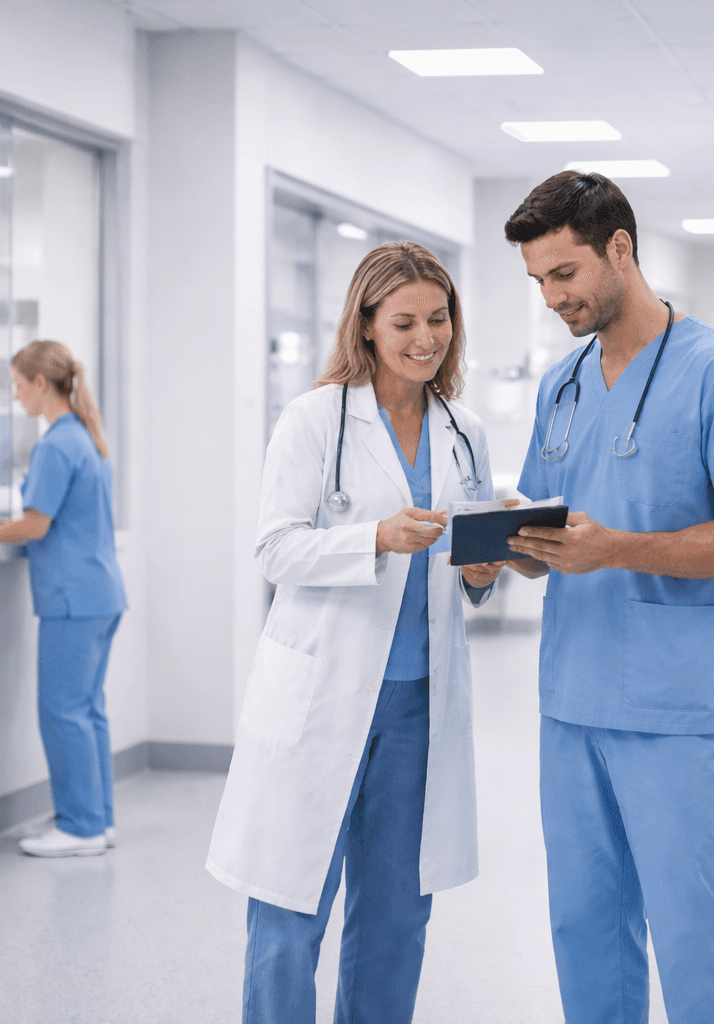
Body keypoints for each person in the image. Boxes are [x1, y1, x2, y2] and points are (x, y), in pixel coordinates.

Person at [502, 171, 714, 1024]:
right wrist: (492, 552)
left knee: (695, 938)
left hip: (680, 709)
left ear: (619, 249)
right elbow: (548, 542)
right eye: (538, 282)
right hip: (572, 701)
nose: (552, 298)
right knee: (585, 930)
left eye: (564, 274)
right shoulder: (563, 385)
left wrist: (617, 549)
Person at [206, 242, 504, 1024]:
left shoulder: (465, 430)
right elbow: (274, 548)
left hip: (418, 707)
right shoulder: (315, 418)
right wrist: (372, 538)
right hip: (321, 699)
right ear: (366, 325)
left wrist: (482, 574)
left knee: (397, 920)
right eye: (403, 321)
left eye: (438, 319)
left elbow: (468, 561)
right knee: (289, 911)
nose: (425, 338)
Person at [0, 340, 126, 856]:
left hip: (72, 599)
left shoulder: (57, 445)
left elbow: (36, 526)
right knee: (87, 712)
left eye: (19, 386)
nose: (17, 397)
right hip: (100, 592)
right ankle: (96, 821)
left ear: (42, 385)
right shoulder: (84, 439)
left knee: (63, 712)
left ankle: (79, 828)